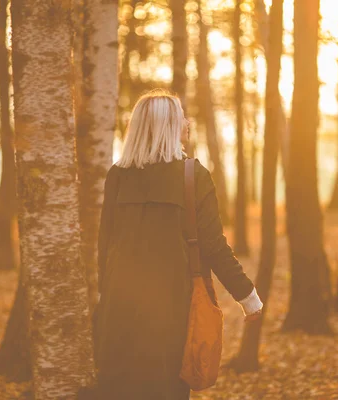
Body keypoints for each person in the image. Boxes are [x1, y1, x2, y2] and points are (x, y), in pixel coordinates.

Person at [92, 90, 263, 400]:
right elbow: (213, 244)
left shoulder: (117, 175)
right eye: (181, 117)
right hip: (171, 311)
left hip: (119, 309)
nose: (187, 122)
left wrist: (103, 296)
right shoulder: (192, 175)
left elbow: (106, 244)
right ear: (168, 126)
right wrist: (247, 296)